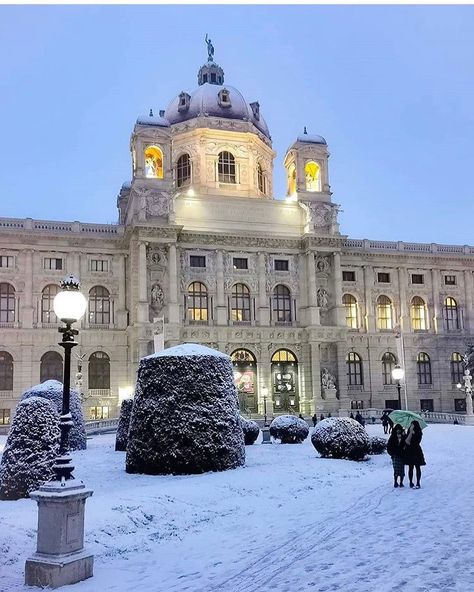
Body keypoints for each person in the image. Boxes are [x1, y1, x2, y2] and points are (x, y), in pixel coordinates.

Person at [404, 420, 426, 489]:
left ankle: (418, 482)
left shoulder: (419, 433)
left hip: (416, 451)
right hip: (410, 451)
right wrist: (410, 433)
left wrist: (413, 433)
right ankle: (411, 482)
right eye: (411, 425)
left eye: (412, 425)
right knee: (410, 467)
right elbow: (407, 441)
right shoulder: (409, 432)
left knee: (417, 467)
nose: (411, 426)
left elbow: (417, 442)